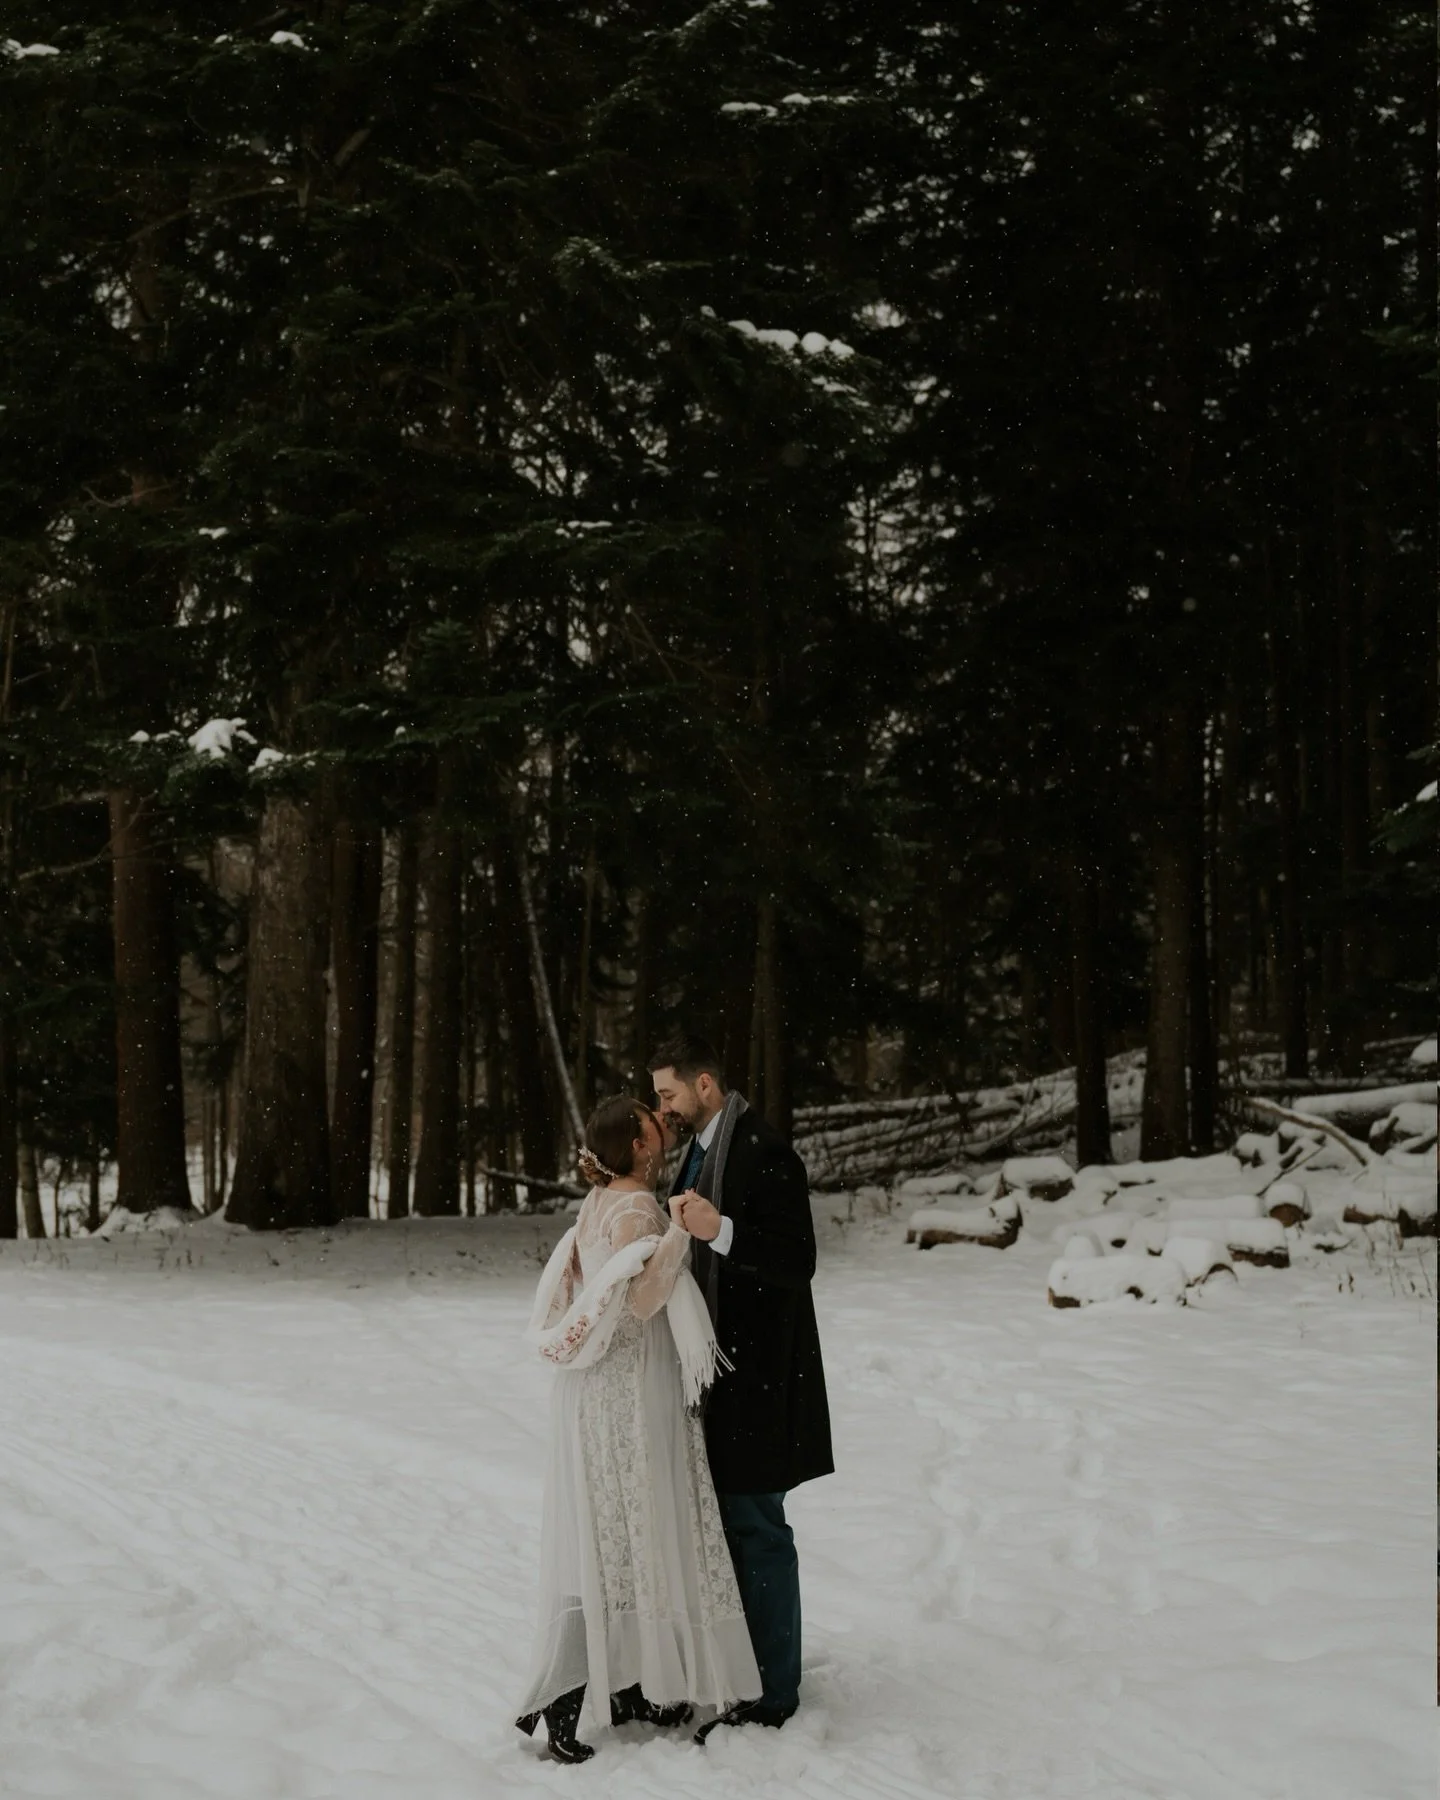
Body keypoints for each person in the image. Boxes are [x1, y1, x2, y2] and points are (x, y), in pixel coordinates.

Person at [513, 1095, 762, 1763]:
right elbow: (642, 1300)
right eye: (655, 1127)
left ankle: (610, 1687)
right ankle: (628, 1685)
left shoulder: (595, 1204)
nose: (663, 1127)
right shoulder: (638, 1207)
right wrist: (681, 1234)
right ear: (641, 1147)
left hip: (594, 1391)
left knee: (608, 1534)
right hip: (631, 1388)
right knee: (649, 1524)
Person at [649, 1033, 833, 1740]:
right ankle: (743, 1668)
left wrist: (719, 1229)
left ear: (704, 1084)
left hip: (760, 1377)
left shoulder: (765, 1149)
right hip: (717, 1374)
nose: (664, 1108)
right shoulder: (697, 1150)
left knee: (758, 1528)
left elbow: (797, 1261)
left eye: (668, 1094)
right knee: (728, 1528)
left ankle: (773, 1694)